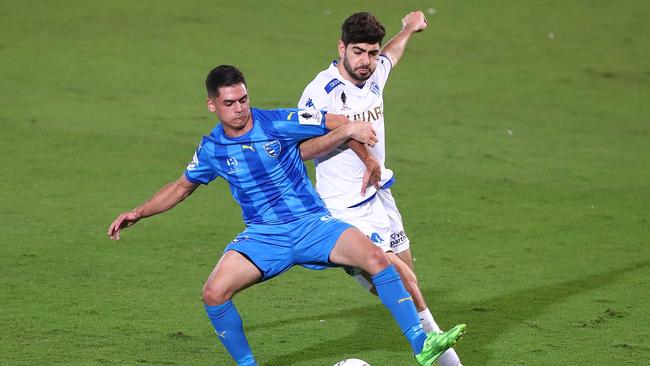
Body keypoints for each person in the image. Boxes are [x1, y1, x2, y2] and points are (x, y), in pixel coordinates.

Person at [107, 65, 464, 366]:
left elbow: (336, 121)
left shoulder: (279, 122)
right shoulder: (212, 148)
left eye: (243, 99)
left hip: (312, 224)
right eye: (229, 103)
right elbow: (181, 187)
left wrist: (361, 146)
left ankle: (421, 343)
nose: (240, 109)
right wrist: (139, 212)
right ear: (212, 105)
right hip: (264, 236)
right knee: (214, 293)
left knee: (376, 257)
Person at [298, 12, 464, 366]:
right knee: (397, 277)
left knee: (407, 280)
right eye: (358, 52)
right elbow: (298, 150)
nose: (366, 61)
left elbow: (393, 54)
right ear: (341, 48)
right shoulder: (320, 92)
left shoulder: (374, 76)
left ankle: (430, 342)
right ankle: (434, 345)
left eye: (371, 53)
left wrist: (409, 28)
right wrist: (345, 132)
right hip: (343, 208)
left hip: (380, 194)